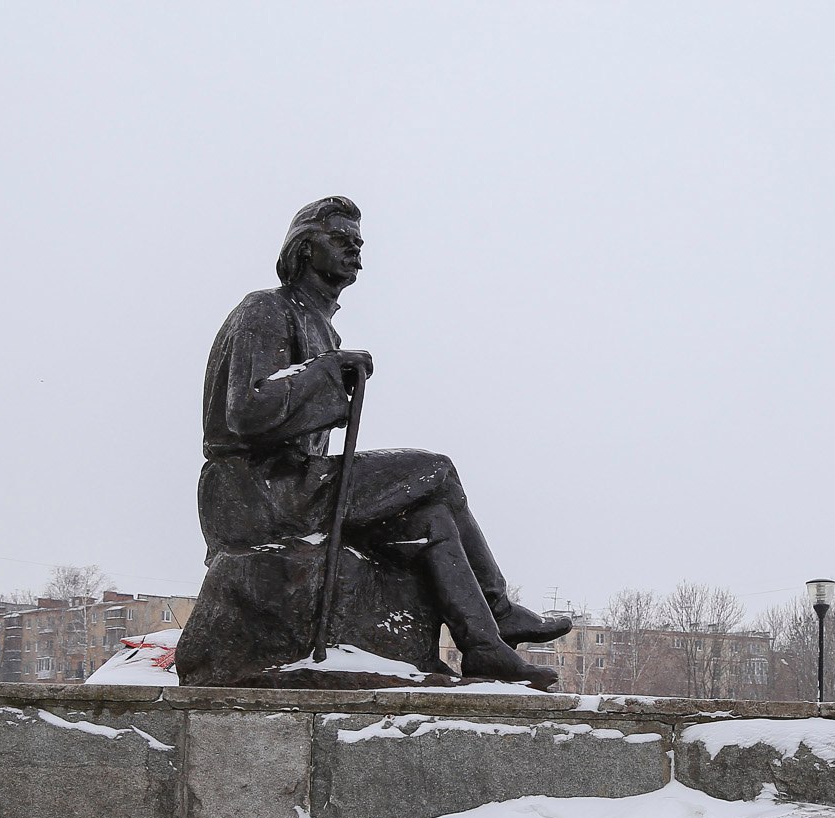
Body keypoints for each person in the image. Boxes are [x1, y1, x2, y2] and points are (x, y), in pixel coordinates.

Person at [199, 197, 568, 687]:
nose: (355, 252)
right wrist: (325, 372)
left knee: (431, 517)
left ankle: (484, 648)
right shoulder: (266, 308)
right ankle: (499, 610)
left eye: (359, 244)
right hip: (254, 490)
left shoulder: (321, 325)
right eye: (341, 240)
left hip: (298, 484)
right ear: (305, 248)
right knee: (436, 469)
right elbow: (245, 413)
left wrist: (326, 372)